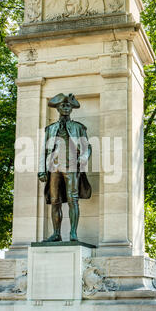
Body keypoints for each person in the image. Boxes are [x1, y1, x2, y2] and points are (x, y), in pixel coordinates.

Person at [38, 93, 92, 242]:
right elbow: (44, 149)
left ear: (71, 109)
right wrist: (41, 169)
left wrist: (83, 158)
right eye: (63, 105)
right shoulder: (50, 129)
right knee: (55, 200)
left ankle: (73, 233)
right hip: (54, 168)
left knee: (72, 199)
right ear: (57, 108)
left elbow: (88, 147)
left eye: (68, 105)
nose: (66, 107)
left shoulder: (78, 127)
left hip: (72, 166)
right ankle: (56, 233)